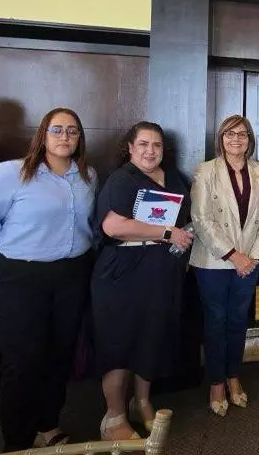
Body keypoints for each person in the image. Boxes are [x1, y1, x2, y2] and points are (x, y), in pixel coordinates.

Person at [0, 107, 96, 451]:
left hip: (70, 277)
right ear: (42, 134)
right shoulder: (13, 173)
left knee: (59, 357)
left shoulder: (88, 176)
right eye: (57, 129)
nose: (65, 136)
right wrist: (2, 262)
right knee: (23, 363)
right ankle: (18, 441)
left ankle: (48, 424)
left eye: (72, 130)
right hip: (17, 280)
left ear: (80, 138)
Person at [91, 121, 193, 440]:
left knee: (151, 337)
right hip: (123, 273)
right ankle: (114, 416)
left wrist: (182, 236)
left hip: (160, 272)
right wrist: (167, 233)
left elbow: (182, 218)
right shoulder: (122, 179)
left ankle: (142, 402)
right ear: (130, 148)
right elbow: (114, 227)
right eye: (144, 144)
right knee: (120, 342)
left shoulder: (172, 177)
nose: (151, 151)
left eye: (157, 145)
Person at [190, 115, 259, 416]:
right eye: (229, 133)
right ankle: (216, 382)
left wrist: (254, 257)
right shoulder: (205, 170)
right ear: (221, 138)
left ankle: (234, 376)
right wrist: (233, 255)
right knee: (216, 321)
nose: (236, 139)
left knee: (239, 321)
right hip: (213, 261)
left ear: (250, 139)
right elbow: (201, 219)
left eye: (242, 134)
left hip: (250, 262)